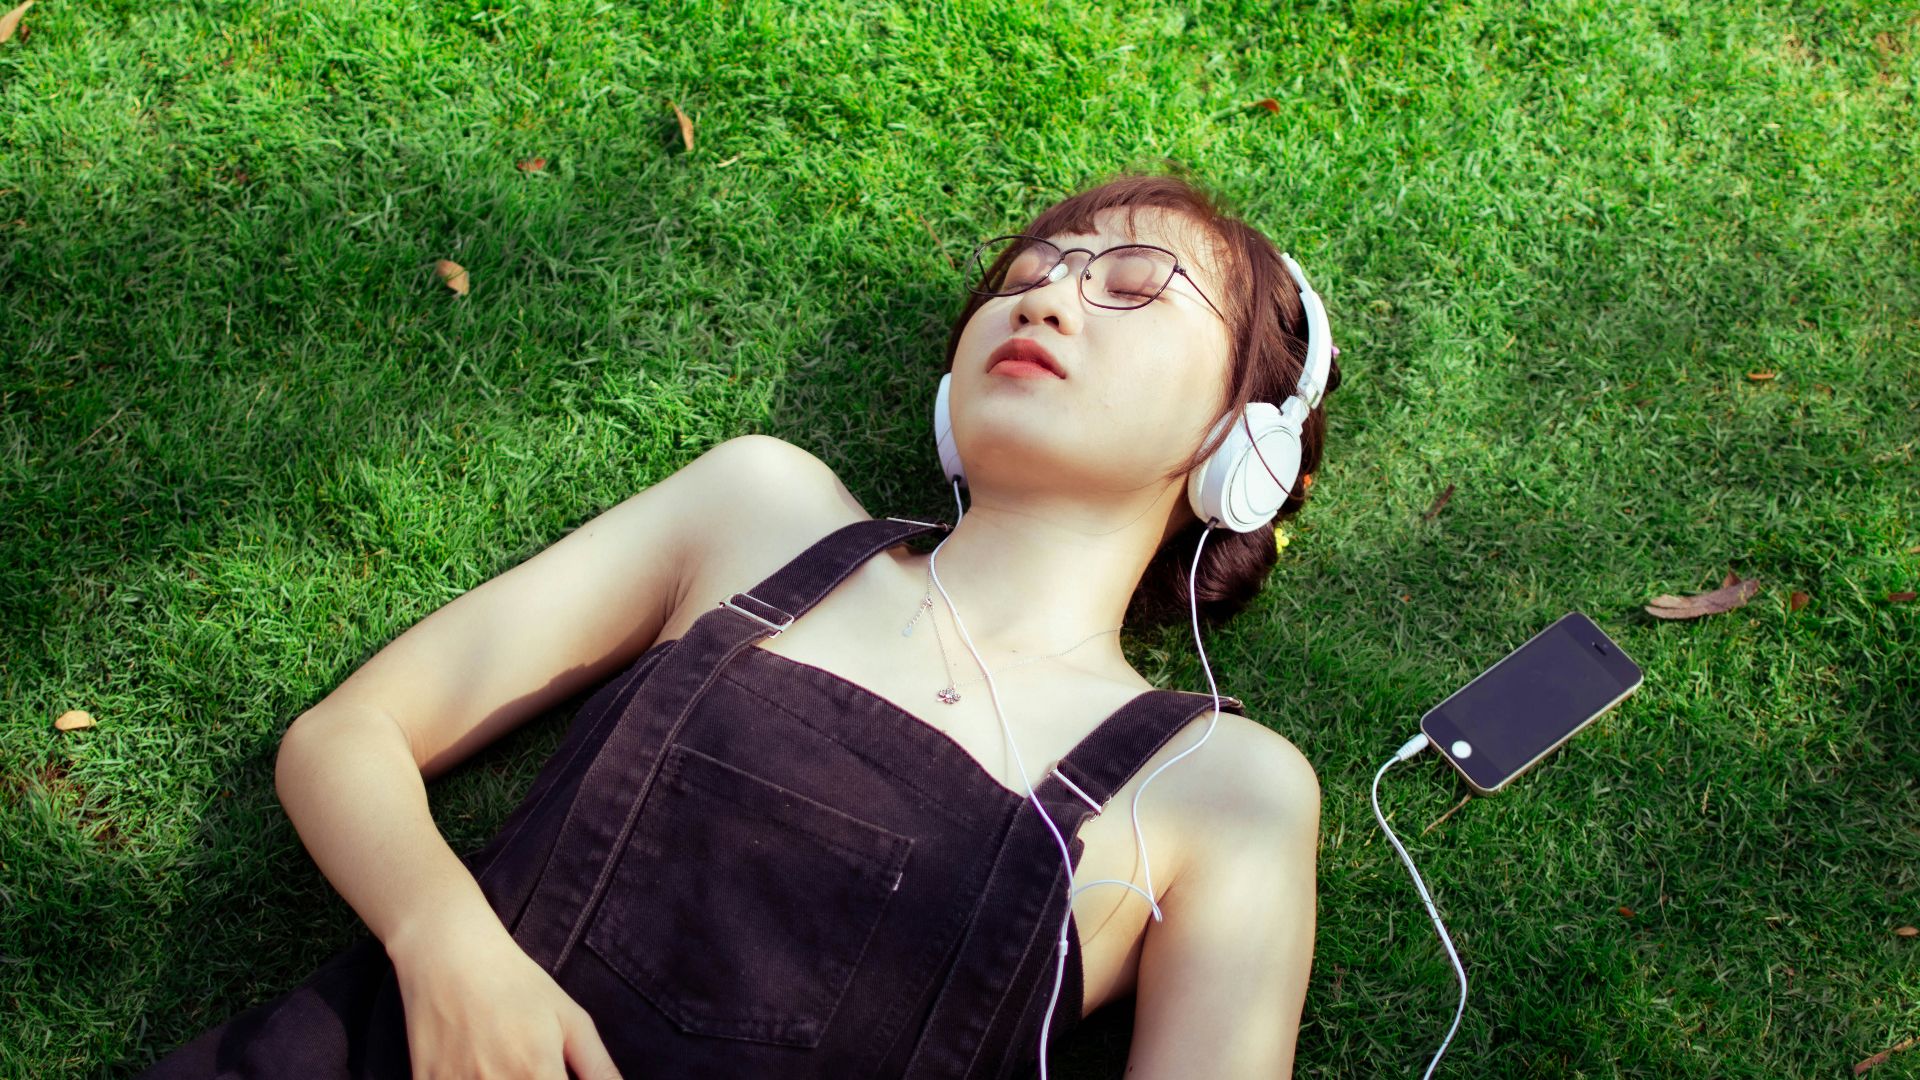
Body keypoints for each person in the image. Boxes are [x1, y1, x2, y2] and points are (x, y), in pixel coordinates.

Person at [135, 168, 1341, 1079]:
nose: (1052, 299)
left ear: (1240, 447)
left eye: (1130, 289)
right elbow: (346, 739)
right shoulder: (761, 514)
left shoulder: (1223, 787)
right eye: (1028, 277)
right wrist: (449, 949)